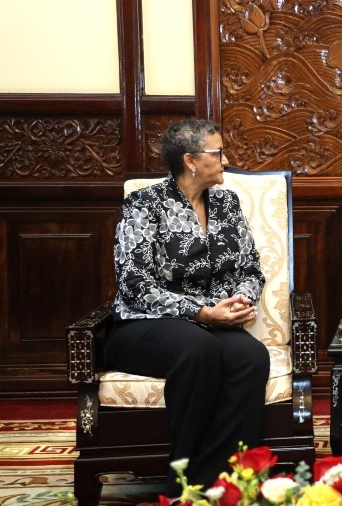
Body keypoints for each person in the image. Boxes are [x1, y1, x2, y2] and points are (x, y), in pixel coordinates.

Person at [105, 119, 270, 497]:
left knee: (250, 356)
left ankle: (221, 483)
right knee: (198, 349)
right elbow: (134, 282)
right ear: (191, 160)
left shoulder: (227, 203)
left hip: (210, 323)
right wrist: (202, 313)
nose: (226, 160)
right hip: (144, 323)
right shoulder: (144, 205)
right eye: (218, 153)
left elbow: (250, 268)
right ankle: (181, 485)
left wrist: (240, 299)